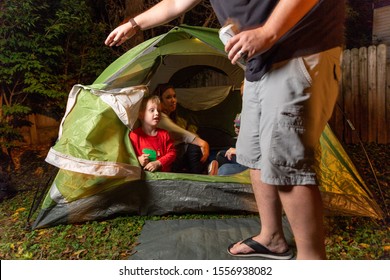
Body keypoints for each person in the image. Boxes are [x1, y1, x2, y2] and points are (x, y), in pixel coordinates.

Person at [105, 0, 345, 260]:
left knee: (285, 162)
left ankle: (312, 260)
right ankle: (271, 237)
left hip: (296, 50)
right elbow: (175, 3)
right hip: (258, 64)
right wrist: (134, 23)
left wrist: (268, 32)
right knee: (254, 156)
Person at [154, 83, 210, 174]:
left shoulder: (170, 116)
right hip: (166, 158)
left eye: (174, 96)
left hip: (174, 154)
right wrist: (203, 143)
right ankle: (200, 175)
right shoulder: (159, 117)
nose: (173, 100)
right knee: (194, 146)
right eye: (168, 97)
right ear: (159, 100)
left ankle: (204, 170)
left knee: (196, 142)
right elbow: (182, 134)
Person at [130, 95, 176, 172]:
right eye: (152, 110)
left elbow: (172, 153)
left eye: (159, 110)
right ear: (141, 115)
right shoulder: (135, 135)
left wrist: (158, 163)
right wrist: (138, 160)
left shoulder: (164, 134)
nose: (157, 113)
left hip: (164, 177)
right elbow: (129, 156)